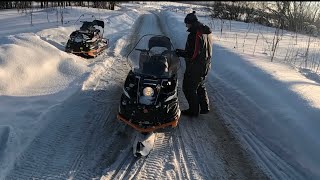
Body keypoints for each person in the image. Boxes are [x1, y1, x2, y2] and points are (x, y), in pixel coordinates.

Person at [175, 11, 213, 117]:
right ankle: (205, 107)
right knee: (200, 84)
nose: (186, 25)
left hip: (196, 65)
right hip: (205, 63)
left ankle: (193, 111)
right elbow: (200, 49)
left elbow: (193, 53)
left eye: (186, 23)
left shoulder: (195, 34)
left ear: (190, 23)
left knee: (188, 87)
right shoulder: (205, 32)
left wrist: (180, 53)